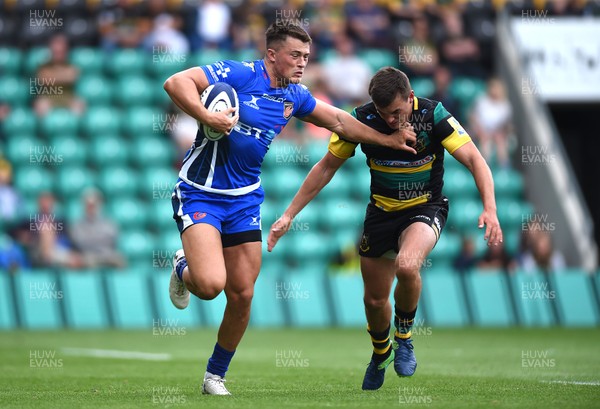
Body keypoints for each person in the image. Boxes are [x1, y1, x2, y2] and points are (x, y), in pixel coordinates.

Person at [162, 24, 416, 396]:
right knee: (211, 285)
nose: (302, 63)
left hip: (245, 199)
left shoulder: (295, 96)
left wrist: (388, 140)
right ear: (272, 54)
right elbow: (175, 81)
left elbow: (341, 121)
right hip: (201, 193)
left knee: (243, 294)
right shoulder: (238, 74)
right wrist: (207, 116)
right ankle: (183, 266)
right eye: (295, 56)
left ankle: (214, 376)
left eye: (307, 58)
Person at [268, 67, 502, 390]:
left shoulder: (434, 115)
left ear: (410, 98)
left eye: (396, 112)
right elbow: (326, 167)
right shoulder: (361, 119)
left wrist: (490, 208)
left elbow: (476, 159)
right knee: (375, 302)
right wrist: (289, 214)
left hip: (425, 207)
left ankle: (404, 336)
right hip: (381, 213)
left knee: (407, 265)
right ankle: (381, 352)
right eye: (383, 114)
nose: (391, 120)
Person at [70, 189, 125, 269]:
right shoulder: (77, 225)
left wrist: (91, 236)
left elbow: (113, 237)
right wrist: (99, 238)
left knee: (120, 260)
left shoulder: (108, 222)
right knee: (87, 262)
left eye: (93, 204)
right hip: (89, 256)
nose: (91, 208)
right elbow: (81, 242)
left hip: (107, 254)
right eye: (88, 205)